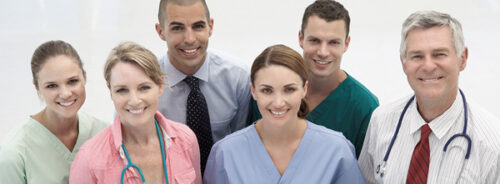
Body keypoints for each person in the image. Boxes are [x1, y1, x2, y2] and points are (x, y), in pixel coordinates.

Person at [358, 10, 500, 183]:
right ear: (404, 64)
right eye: (417, 56)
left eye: (439, 54)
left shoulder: (493, 143)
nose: (428, 66)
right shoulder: (381, 122)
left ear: (462, 59)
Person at [204, 44, 365, 184]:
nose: (278, 102)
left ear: (304, 89)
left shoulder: (337, 151)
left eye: (289, 90)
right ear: (253, 91)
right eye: (267, 90)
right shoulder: (225, 153)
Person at [248, 0, 379, 158]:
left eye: (333, 42)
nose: (323, 52)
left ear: (346, 43)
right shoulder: (268, 91)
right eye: (315, 40)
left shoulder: (364, 106)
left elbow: (362, 174)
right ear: (301, 38)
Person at [69, 42, 201, 184]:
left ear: (160, 86)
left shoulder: (186, 140)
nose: (134, 100)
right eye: (122, 90)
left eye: (144, 87)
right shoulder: (89, 159)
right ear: (111, 92)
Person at [154, 0, 251, 173]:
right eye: (177, 28)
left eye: (198, 26)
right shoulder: (144, 84)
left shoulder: (238, 78)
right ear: (160, 31)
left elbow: (243, 142)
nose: (190, 39)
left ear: (210, 26)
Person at [0, 40, 108, 183]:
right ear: (37, 87)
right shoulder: (13, 154)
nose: (65, 94)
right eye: (52, 86)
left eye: (72, 81)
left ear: (85, 77)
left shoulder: (105, 133)